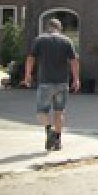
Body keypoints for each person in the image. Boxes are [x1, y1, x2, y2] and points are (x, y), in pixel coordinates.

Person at [22, 18, 80, 151]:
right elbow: (74, 61)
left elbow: (30, 58)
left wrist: (27, 75)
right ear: (60, 28)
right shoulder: (66, 41)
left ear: (47, 27)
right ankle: (57, 141)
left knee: (41, 112)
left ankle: (49, 131)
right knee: (59, 113)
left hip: (45, 83)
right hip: (62, 83)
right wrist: (76, 79)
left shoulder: (39, 40)